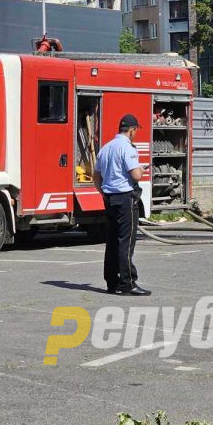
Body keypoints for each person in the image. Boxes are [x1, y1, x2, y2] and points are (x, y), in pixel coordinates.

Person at [93, 114, 151, 295]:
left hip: (109, 199)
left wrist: (104, 192)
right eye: (136, 131)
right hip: (126, 198)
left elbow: (96, 177)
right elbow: (135, 175)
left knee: (111, 241)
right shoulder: (127, 148)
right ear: (132, 130)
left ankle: (112, 282)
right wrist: (141, 169)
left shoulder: (106, 147)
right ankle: (128, 283)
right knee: (126, 242)